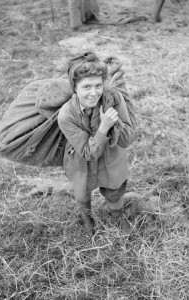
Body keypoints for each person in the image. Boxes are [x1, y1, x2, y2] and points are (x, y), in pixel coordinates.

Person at [57, 52, 136, 234]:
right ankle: (87, 217)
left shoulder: (114, 98)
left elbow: (127, 139)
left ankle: (118, 215)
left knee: (115, 188)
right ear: (75, 88)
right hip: (82, 158)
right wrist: (103, 127)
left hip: (111, 155)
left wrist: (114, 122)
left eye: (98, 85)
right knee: (82, 189)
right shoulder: (66, 115)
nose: (94, 93)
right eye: (86, 87)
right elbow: (87, 152)